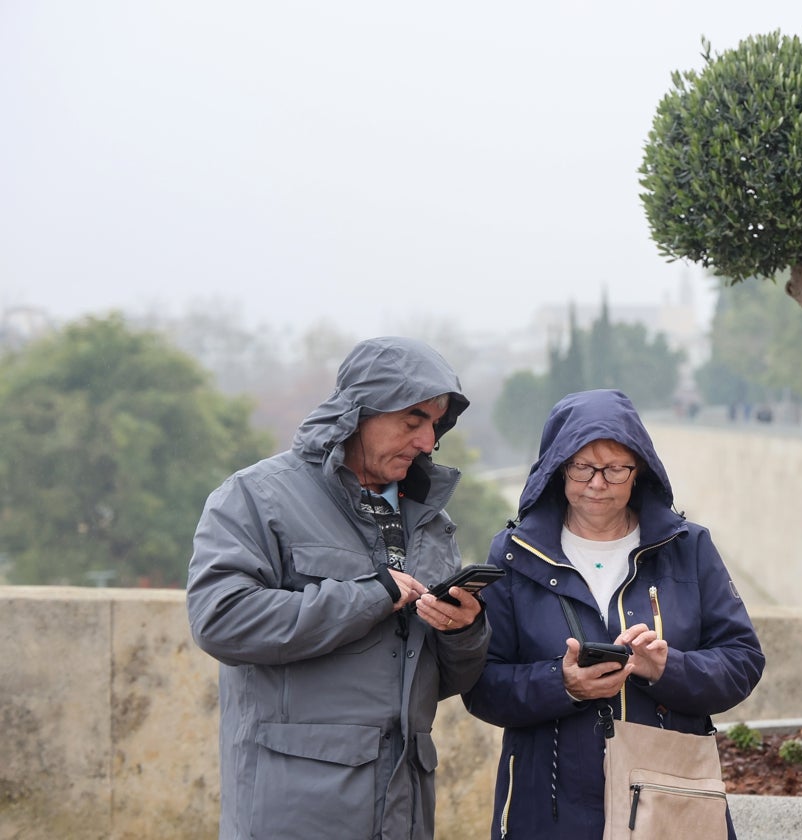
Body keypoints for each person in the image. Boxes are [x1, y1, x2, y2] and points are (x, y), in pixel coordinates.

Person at [186, 336, 490, 840]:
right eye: (412, 419)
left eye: (435, 425)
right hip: (294, 810)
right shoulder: (256, 496)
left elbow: (441, 681)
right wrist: (370, 596)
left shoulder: (431, 521)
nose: (426, 441)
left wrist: (463, 631)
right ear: (356, 414)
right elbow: (221, 620)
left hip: (405, 807)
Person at [463, 388, 765, 840]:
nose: (597, 483)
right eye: (582, 466)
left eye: (615, 468)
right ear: (556, 468)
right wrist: (561, 684)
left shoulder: (688, 547)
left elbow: (742, 660)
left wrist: (668, 668)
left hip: (667, 803)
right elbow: (482, 686)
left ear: (639, 469)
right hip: (549, 809)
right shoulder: (513, 554)